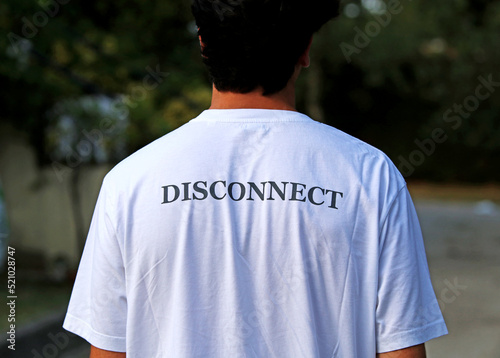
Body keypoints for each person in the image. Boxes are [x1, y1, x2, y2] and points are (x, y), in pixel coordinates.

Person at [63, 0, 448, 357]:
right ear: (305, 50)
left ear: (203, 45)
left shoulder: (129, 183)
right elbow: (402, 348)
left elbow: (109, 349)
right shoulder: (370, 175)